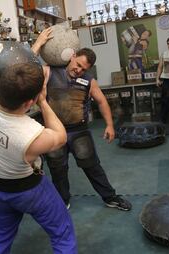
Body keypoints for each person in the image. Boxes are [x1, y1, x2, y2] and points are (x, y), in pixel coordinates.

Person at [0, 62, 77, 253]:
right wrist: (42, 101)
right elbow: (61, 136)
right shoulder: (30, 135)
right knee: (62, 233)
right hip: (30, 190)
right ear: (28, 103)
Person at [32, 28, 132, 211]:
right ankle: (62, 201)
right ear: (73, 56)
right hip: (54, 132)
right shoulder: (48, 71)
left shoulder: (88, 80)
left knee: (92, 166)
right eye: (77, 64)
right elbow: (27, 66)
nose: (78, 70)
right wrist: (38, 43)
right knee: (57, 169)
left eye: (83, 69)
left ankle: (110, 197)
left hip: (79, 131)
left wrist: (109, 125)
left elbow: (101, 102)